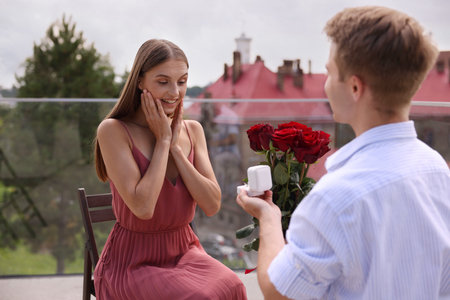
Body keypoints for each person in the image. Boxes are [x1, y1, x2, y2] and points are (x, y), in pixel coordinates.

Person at [237, 6, 450, 300]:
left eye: (329, 72)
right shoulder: (438, 171)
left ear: (353, 87)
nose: (325, 84)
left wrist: (269, 217)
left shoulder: (336, 196)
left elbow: (278, 290)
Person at [94, 39, 247, 300]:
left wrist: (176, 148)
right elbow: (142, 208)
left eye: (182, 81)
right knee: (199, 297)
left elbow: (212, 204)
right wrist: (163, 141)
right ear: (140, 81)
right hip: (132, 262)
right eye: (163, 82)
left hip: (185, 251)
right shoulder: (113, 131)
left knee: (234, 285)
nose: (174, 92)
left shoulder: (193, 130)